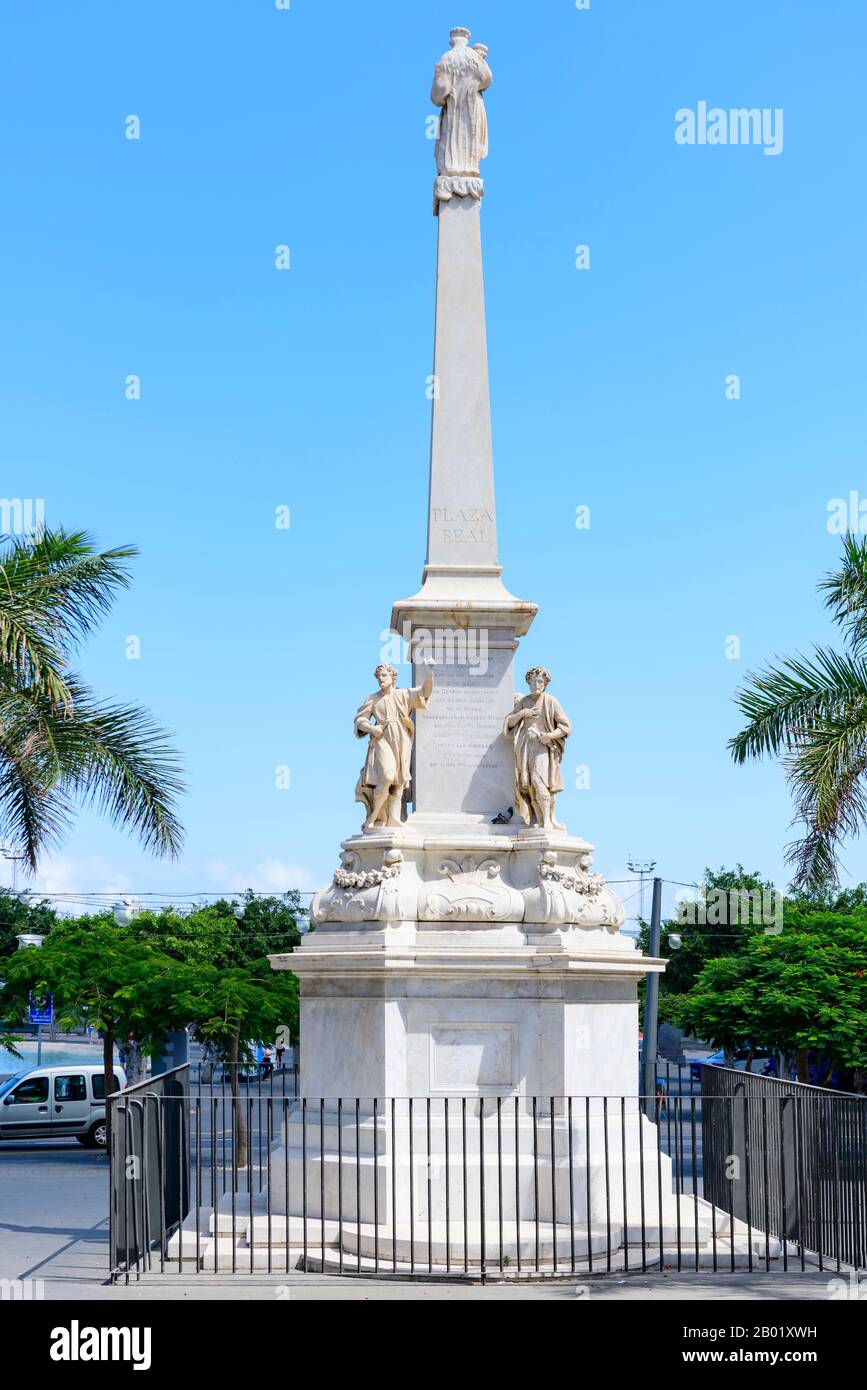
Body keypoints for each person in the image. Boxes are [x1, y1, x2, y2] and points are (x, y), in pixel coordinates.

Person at [354, 664, 433, 829]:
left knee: (399, 779)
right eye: (379, 677)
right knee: (388, 776)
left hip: (402, 740)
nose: (381, 679)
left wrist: (429, 672)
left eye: (384, 676)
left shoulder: (403, 694)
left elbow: (425, 692)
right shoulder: (373, 698)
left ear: (392, 677)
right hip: (382, 738)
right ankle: (375, 816)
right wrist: (371, 728)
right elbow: (360, 720)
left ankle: (393, 818)